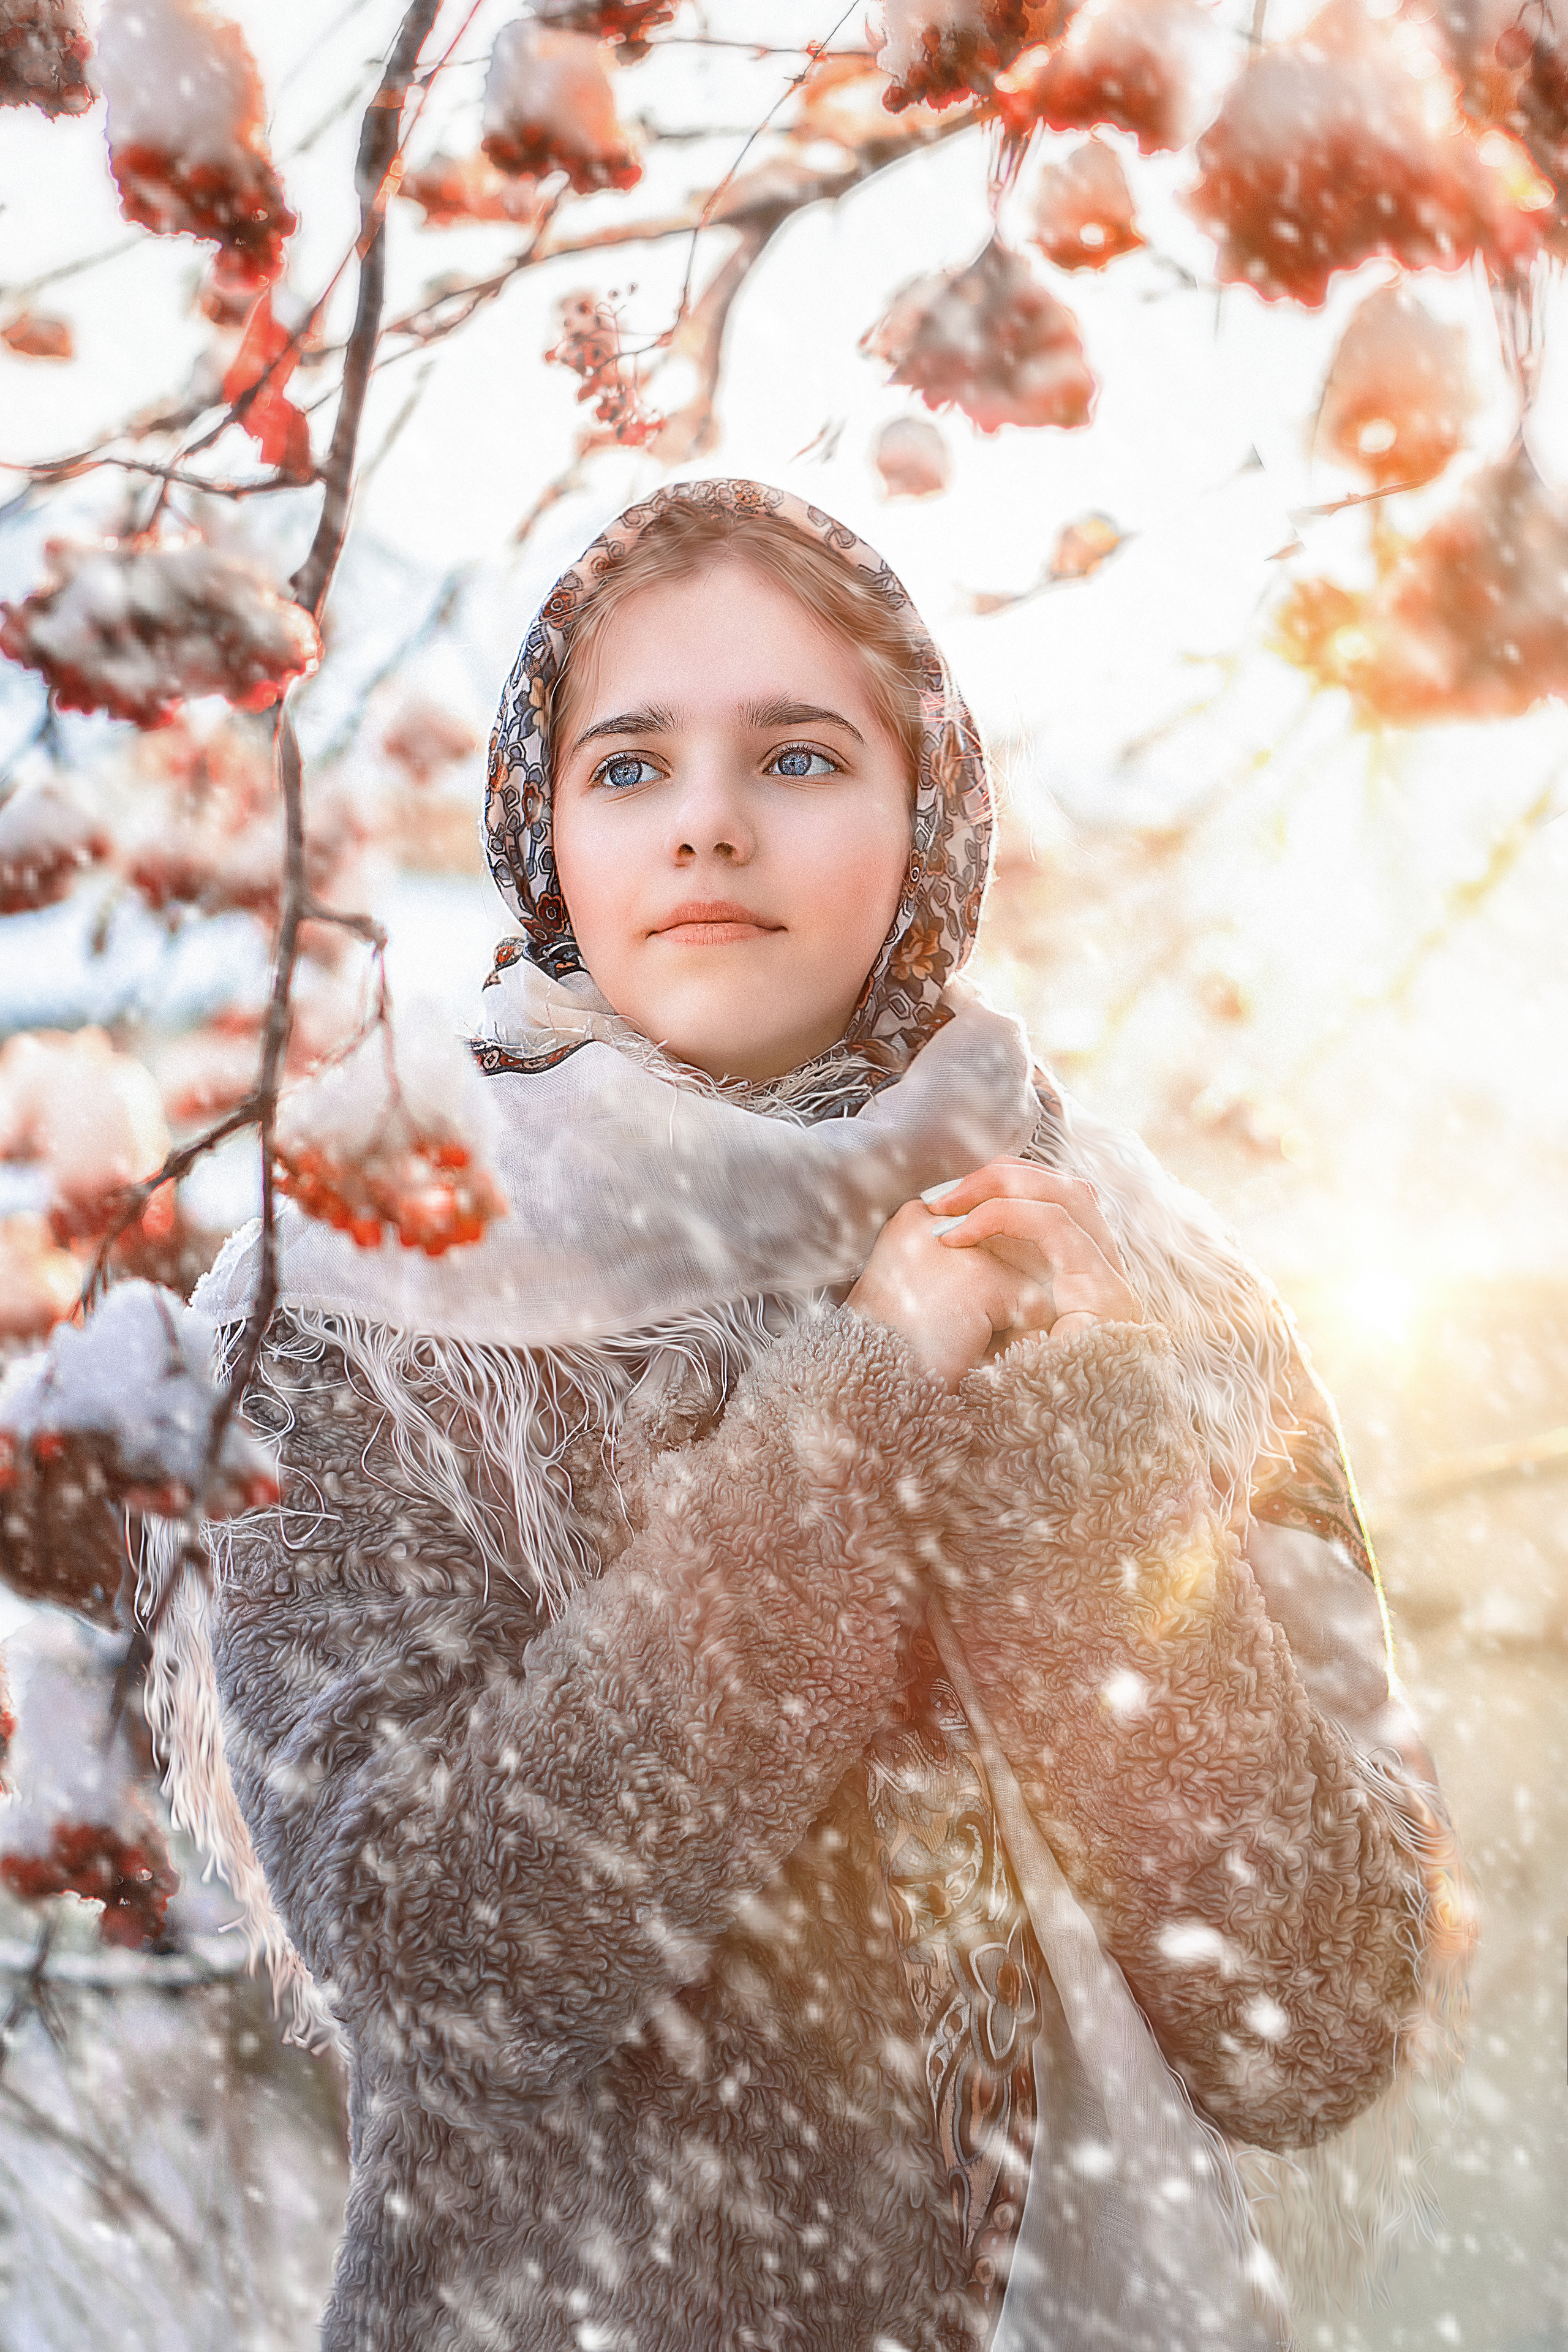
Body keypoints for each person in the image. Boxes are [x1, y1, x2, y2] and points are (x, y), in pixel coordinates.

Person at [151, 481, 1471, 2352]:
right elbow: (462, 1973)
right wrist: (856, 1415)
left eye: (797, 754)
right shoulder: (364, 1302)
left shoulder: (1149, 1291)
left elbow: (1308, 2024)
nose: (706, 817)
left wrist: (1081, 1453)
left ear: (924, 818)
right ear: (541, 834)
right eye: (628, 768)